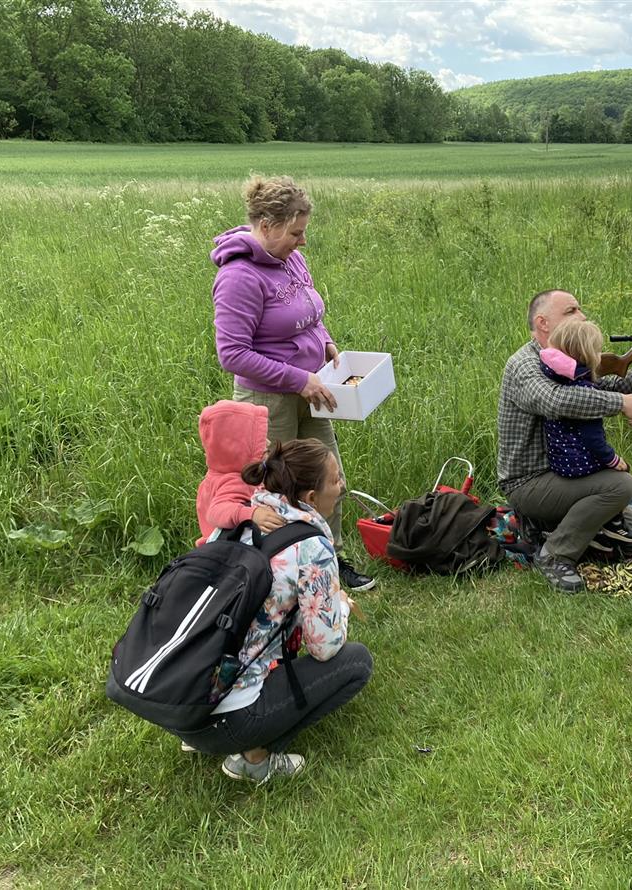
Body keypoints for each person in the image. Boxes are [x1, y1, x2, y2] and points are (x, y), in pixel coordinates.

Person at [175, 437, 374, 784]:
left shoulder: (239, 522)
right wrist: (340, 608)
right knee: (357, 662)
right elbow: (324, 647)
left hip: (179, 699)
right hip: (228, 721)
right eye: (336, 479)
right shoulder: (312, 548)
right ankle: (253, 758)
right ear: (311, 497)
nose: (342, 485)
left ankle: (211, 733)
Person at [211, 174, 375, 591]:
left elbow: (310, 313)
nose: (302, 241)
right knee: (277, 490)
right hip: (268, 400)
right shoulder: (239, 277)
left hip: (312, 389)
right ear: (267, 226)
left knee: (328, 477)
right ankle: (280, 570)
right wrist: (298, 379)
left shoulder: (292, 259)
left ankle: (330, 558)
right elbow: (232, 354)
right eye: (295, 233)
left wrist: (326, 342)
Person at [496, 288, 632, 592]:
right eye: (571, 311)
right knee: (621, 485)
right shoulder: (524, 364)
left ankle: (546, 528)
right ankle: (555, 555)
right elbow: (555, 400)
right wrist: (622, 404)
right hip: (530, 483)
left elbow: (610, 386)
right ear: (542, 322)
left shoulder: (567, 357)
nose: (582, 315)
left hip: (569, 473)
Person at [538, 318, 632, 557]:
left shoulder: (556, 377)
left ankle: (596, 526)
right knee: (623, 478)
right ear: (588, 355)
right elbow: (593, 440)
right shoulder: (584, 392)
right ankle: (609, 526)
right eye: (597, 351)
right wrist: (613, 460)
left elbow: (612, 385)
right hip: (578, 465)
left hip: (561, 461)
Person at [194, 400, 283, 546]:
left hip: (220, 546)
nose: (267, 443)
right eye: (257, 441)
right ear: (235, 448)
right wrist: (251, 514)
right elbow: (215, 512)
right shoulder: (235, 480)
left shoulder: (220, 471)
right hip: (228, 551)